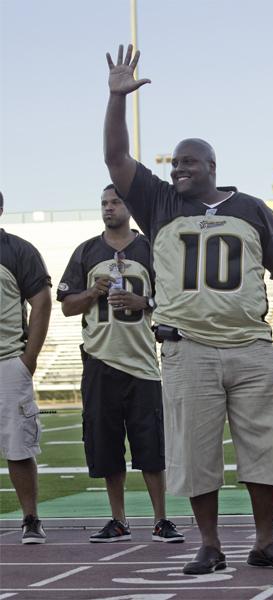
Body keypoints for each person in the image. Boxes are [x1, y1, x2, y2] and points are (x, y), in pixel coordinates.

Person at [103, 45, 273, 573]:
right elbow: (116, 158)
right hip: (189, 348)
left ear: (211, 166)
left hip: (251, 345)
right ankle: (210, 543)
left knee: (265, 450)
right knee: (195, 453)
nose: (179, 167)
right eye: (175, 161)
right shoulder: (159, 202)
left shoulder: (250, 208)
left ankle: (265, 541)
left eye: (189, 161)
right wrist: (115, 99)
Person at [57, 184, 184, 544]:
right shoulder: (86, 251)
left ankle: (161, 519)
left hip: (142, 363)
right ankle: (118, 520)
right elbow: (67, 305)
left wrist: (141, 301)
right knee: (107, 446)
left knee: (151, 448)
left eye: (115, 202)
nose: (109, 208)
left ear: (128, 206)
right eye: (104, 203)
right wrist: (93, 292)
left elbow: (173, 298)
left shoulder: (150, 248)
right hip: (100, 360)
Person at [0, 191, 52, 544]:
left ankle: (30, 517)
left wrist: (28, 359)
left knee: (19, 447)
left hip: (7, 360)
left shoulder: (18, 249)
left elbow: (42, 302)